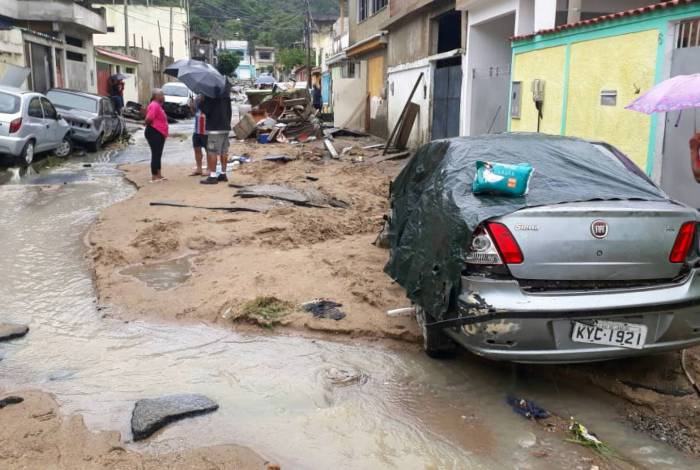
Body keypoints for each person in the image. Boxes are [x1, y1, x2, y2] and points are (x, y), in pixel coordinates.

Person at [200, 81, 232, 185]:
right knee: (224, 151)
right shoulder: (226, 95)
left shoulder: (209, 96)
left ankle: (213, 176)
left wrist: (201, 102)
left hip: (214, 128)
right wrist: (227, 123)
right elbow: (229, 111)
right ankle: (223, 174)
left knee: (212, 151)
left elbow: (206, 111)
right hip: (225, 127)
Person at [144, 89, 168, 182]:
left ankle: (159, 174)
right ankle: (154, 175)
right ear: (156, 96)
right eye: (161, 95)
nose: (163, 97)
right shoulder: (154, 105)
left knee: (158, 153)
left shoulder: (158, 105)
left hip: (159, 132)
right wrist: (146, 123)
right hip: (154, 132)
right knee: (156, 153)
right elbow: (149, 118)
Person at [189, 94, 207, 176]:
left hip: (206, 131)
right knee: (197, 149)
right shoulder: (197, 98)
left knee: (208, 150)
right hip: (197, 130)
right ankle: (199, 168)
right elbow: (194, 113)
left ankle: (209, 168)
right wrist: (191, 106)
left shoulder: (209, 99)